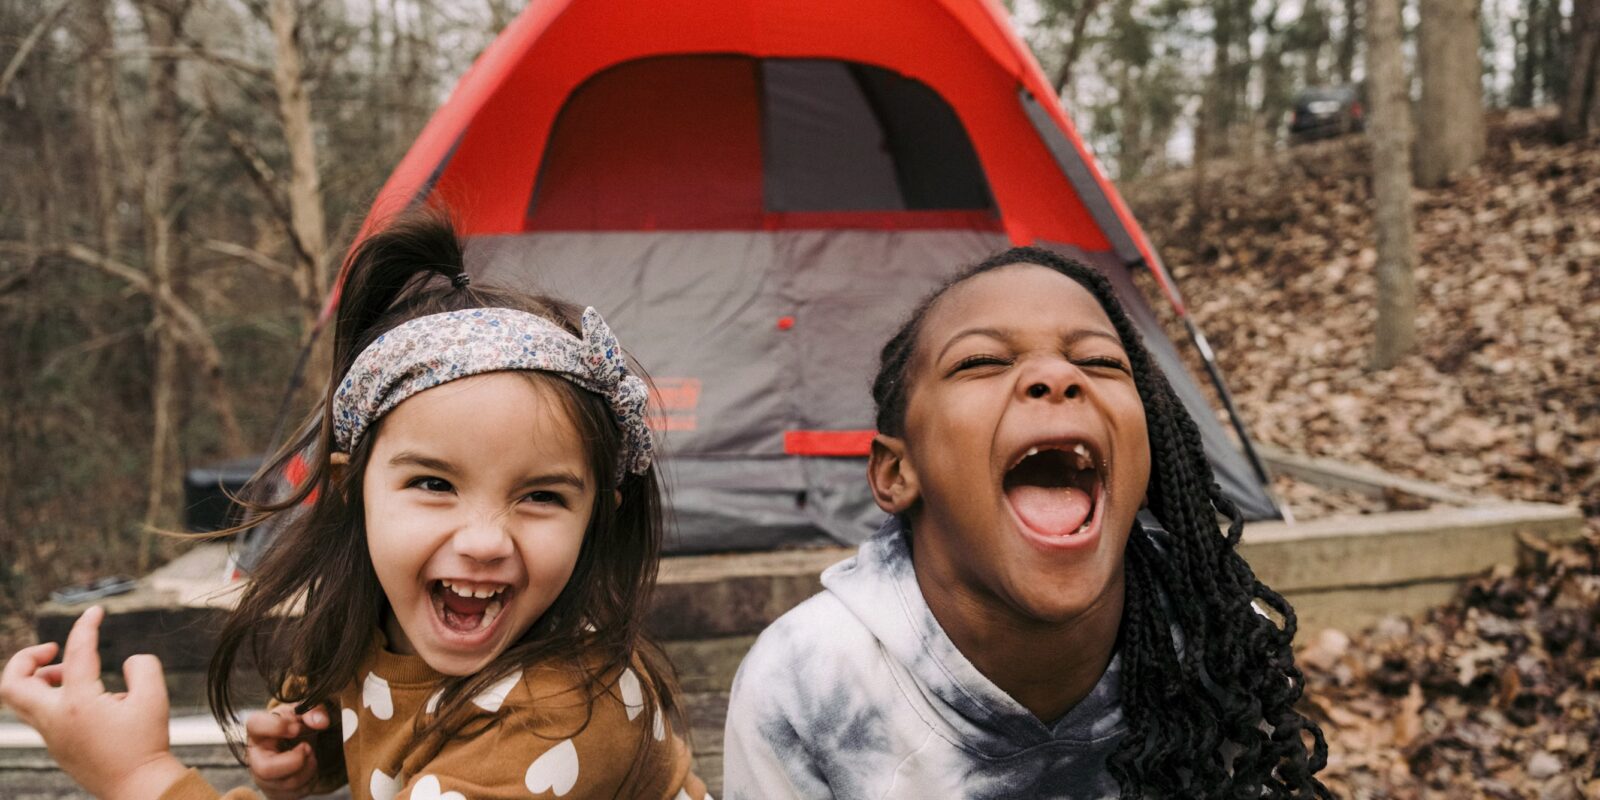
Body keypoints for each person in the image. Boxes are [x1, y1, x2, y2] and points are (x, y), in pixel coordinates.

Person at [1, 210, 711, 800]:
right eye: (434, 483)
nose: (487, 539)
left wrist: (138, 776)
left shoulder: (562, 710)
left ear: (598, 518)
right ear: (352, 491)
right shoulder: (373, 626)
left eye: (542, 496)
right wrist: (326, 755)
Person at [722, 247, 1331, 798]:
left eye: (1098, 361)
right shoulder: (806, 683)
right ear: (895, 472)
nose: (1057, 377)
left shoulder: (1220, 637)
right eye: (982, 361)